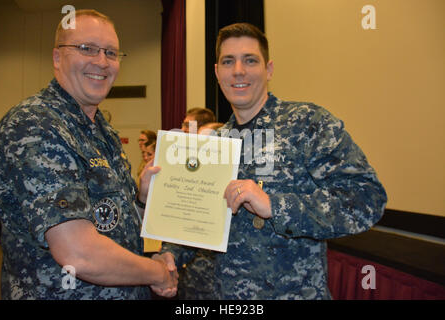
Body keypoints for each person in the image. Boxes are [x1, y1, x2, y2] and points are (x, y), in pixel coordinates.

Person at [161, 22, 387, 299]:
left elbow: (367, 199)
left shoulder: (307, 124)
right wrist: (170, 253)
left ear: (268, 70)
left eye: (250, 60)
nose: (239, 71)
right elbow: (199, 219)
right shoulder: (215, 144)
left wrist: (275, 205)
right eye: (228, 61)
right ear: (217, 72)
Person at [0, 9, 177, 300]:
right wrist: (156, 272)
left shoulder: (101, 130)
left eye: (111, 52)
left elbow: (112, 222)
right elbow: (78, 253)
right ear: (57, 58)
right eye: (87, 49)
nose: (101, 61)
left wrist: (141, 200)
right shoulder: (35, 125)